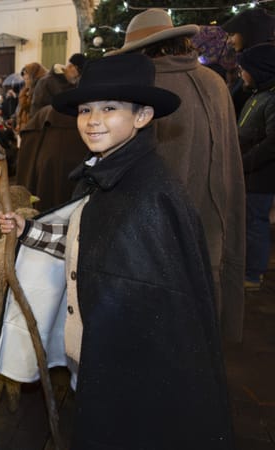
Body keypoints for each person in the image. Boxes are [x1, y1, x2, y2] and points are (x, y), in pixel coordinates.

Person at [0, 54, 232, 449]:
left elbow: (156, 304)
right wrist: (28, 230)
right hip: (96, 358)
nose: (93, 120)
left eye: (109, 108)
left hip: (128, 372)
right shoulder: (106, 176)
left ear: (142, 117)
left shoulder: (150, 195)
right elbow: (87, 243)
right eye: (86, 109)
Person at [108, 8, 246, 341]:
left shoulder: (141, 86)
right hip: (214, 213)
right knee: (202, 301)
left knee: (158, 315)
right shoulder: (214, 81)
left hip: (156, 220)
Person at [236, 45, 275, 290]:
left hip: (260, 173)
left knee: (255, 222)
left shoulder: (271, 98)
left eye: (244, 69)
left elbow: (273, 142)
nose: (240, 73)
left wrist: (247, 160)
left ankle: (253, 274)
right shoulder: (258, 93)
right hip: (251, 170)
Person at [222, 7, 275, 116]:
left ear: (249, 33)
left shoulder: (263, 71)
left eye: (232, 35)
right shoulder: (248, 64)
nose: (228, 41)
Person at [15, 63, 47, 131]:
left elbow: (26, 106)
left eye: (26, 73)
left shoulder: (38, 90)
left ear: (33, 75)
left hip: (31, 129)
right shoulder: (29, 89)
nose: (24, 77)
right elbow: (20, 109)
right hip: (25, 128)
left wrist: (23, 92)